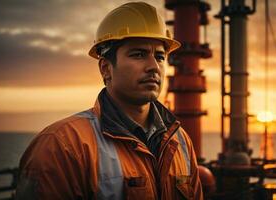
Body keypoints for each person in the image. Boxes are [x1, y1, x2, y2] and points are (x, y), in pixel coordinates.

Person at [15, 2, 203, 200]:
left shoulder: (180, 140)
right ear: (105, 68)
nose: (153, 66)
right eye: (138, 54)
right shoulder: (62, 145)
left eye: (160, 56)